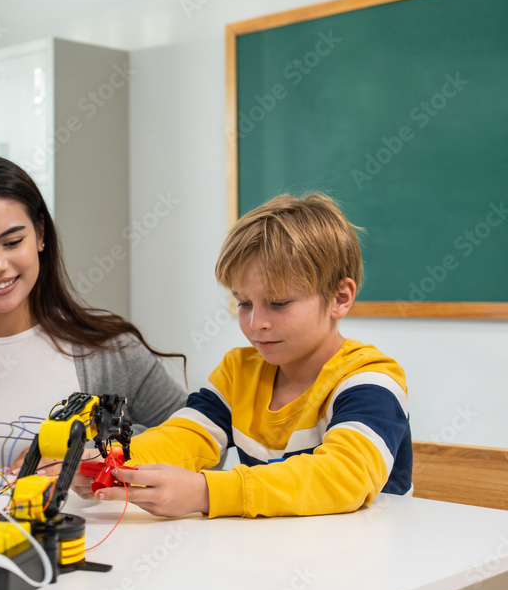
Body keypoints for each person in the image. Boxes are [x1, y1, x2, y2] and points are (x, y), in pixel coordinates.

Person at [78, 193, 411, 518]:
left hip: (372, 563)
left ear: (340, 297)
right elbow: (187, 435)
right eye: (244, 303)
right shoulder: (238, 372)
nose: (257, 324)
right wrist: (111, 458)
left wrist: (206, 493)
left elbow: (342, 476)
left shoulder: (370, 379)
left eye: (279, 303)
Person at [0, 156, 188, 469]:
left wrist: (92, 454)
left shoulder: (113, 351)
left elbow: (204, 445)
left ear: (41, 234)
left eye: (13, 242)